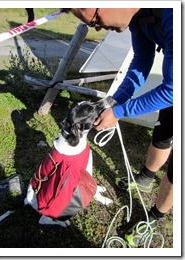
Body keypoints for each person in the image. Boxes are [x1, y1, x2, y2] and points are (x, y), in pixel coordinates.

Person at [60, 8, 173, 247]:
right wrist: (114, 101)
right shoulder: (139, 17)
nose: (98, 28)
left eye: (95, 19)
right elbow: (141, 61)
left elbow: (174, 89)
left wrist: (121, 112)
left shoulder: (174, 14)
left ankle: (154, 217)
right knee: (163, 134)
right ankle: (144, 178)